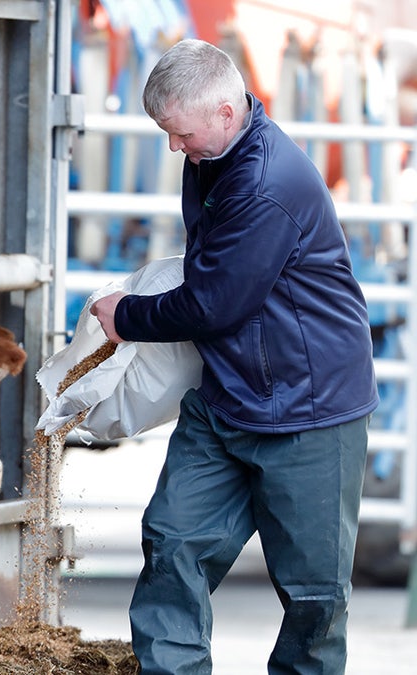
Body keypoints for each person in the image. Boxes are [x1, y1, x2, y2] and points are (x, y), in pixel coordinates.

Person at [90, 38, 378, 674]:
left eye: (179, 133)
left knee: (313, 597)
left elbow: (215, 304)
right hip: (228, 398)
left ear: (225, 112)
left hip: (310, 410)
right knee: (173, 545)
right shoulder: (213, 154)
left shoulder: (266, 184)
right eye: (166, 133)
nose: (173, 148)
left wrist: (127, 316)